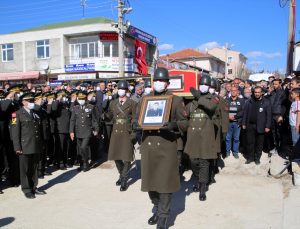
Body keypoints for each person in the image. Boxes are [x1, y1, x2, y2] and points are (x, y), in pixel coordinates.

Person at [138, 68, 188, 229]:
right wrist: (135, 125)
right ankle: (158, 208)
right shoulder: (145, 99)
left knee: (164, 185)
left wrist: (174, 125)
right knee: (150, 183)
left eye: (162, 81)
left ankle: (164, 217)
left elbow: (185, 123)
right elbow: (138, 119)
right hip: (148, 147)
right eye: (156, 81)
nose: (158, 83)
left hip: (166, 147)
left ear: (167, 83)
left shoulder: (176, 100)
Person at [185, 75, 218, 201]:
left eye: (206, 85)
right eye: (201, 84)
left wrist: (199, 97)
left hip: (205, 136)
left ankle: (202, 187)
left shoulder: (213, 98)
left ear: (209, 86)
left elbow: (211, 107)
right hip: (193, 137)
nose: (203, 86)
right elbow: (185, 114)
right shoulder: (192, 101)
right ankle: (199, 179)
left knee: (204, 162)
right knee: (193, 161)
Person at [10, 92, 46, 199]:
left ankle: (34, 187)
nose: (32, 103)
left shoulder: (35, 113)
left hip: (35, 145)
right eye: (30, 101)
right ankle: (26, 189)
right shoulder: (15, 114)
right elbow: (14, 132)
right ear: (23, 102)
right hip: (24, 146)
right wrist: (17, 147)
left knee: (34, 168)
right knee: (25, 169)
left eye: (32, 101)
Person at [106, 80, 137, 192]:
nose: (121, 91)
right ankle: (121, 174)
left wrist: (134, 133)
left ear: (127, 90)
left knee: (127, 157)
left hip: (127, 131)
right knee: (116, 156)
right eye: (119, 89)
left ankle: (124, 179)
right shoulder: (113, 103)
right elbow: (110, 115)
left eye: (123, 89)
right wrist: (105, 114)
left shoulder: (132, 103)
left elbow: (135, 119)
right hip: (116, 131)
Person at [69, 91, 99, 172]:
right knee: (79, 149)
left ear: (85, 99)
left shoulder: (90, 107)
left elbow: (94, 120)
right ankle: (82, 164)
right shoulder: (75, 108)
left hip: (87, 131)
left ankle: (86, 163)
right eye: (80, 99)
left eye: (83, 99)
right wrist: (71, 131)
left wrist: (96, 130)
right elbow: (72, 120)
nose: (81, 100)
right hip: (78, 131)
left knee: (83, 147)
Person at [242, 87, 272, 164]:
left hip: (261, 126)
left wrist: (268, 126)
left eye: (258, 92)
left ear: (261, 92)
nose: (257, 94)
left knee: (259, 144)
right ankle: (250, 158)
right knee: (250, 142)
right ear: (253, 92)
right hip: (250, 125)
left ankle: (257, 158)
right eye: (255, 92)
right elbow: (245, 113)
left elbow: (269, 115)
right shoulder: (249, 101)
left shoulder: (266, 102)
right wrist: (244, 123)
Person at [225, 86, 244, 158]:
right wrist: (228, 116)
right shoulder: (226, 100)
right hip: (228, 122)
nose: (233, 92)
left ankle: (235, 152)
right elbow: (224, 111)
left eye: (235, 90)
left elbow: (243, 111)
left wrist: (235, 116)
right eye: (232, 91)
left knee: (236, 138)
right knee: (228, 138)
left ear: (237, 92)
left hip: (237, 122)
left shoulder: (241, 101)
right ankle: (227, 151)